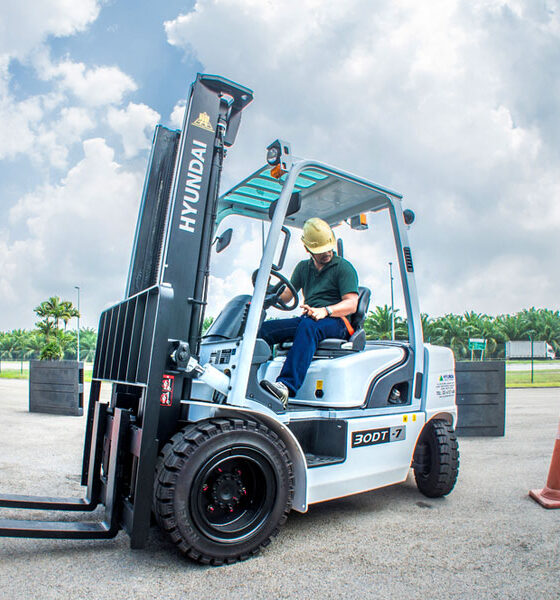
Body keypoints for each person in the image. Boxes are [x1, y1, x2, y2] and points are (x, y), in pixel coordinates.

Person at [259, 217, 359, 407]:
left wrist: (325, 310)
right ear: (308, 249)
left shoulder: (343, 268)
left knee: (308, 325)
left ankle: (285, 387)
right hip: (310, 317)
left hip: (338, 320)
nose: (327, 253)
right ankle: (249, 381)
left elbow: (351, 304)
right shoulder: (303, 268)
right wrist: (266, 294)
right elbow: (286, 296)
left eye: (328, 248)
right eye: (321, 251)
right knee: (264, 329)